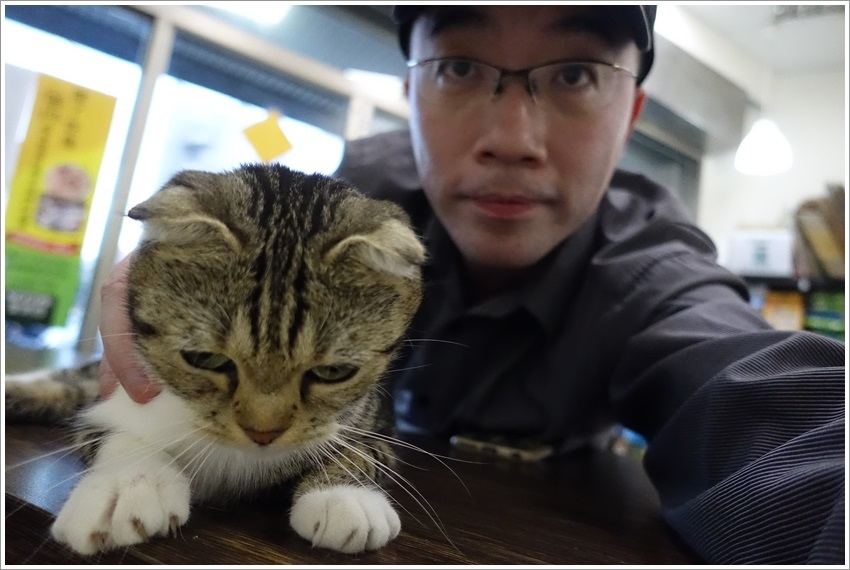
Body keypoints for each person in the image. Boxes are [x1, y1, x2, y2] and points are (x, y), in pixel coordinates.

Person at [98, 5, 845, 565]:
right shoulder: (356, 202)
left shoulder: (655, 270)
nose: (512, 139)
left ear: (632, 115)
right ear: (409, 91)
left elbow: (763, 398)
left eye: (576, 74)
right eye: (459, 69)